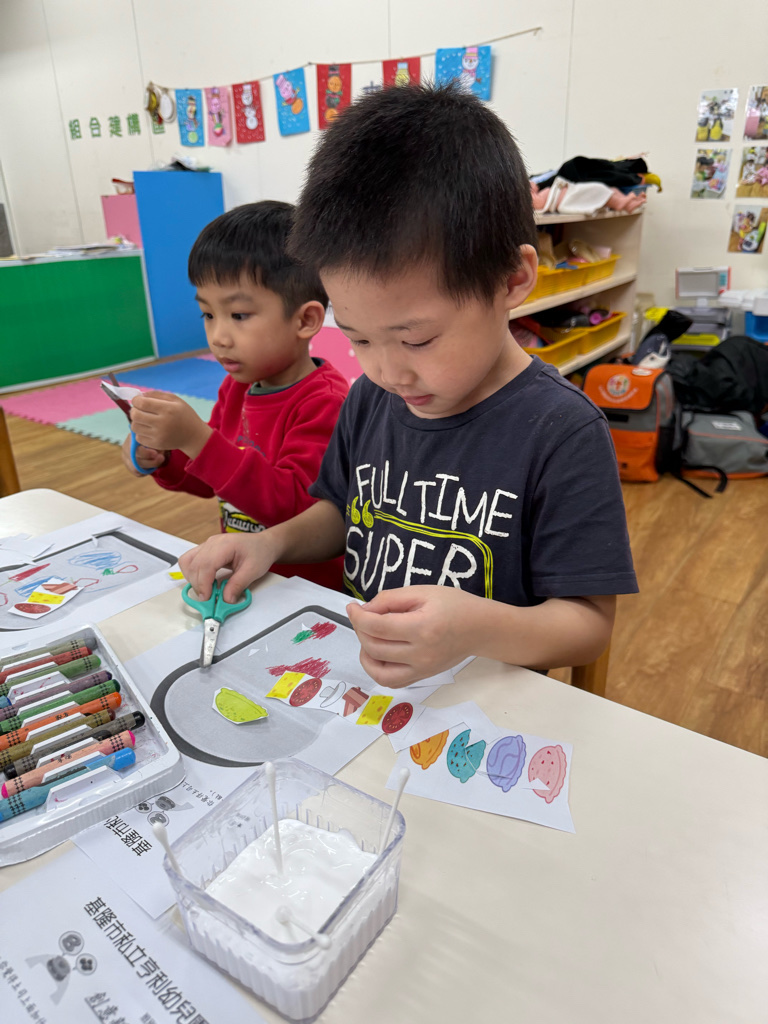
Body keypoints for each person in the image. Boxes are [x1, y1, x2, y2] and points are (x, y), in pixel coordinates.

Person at [180, 84, 637, 686]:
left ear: (512, 279)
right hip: (364, 683)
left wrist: (472, 628)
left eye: (416, 340)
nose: (386, 372)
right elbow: (341, 513)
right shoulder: (371, 398)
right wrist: (272, 544)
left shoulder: (562, 432)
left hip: (489, 701)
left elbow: (588, 623)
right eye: (358, 340)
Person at [125, 201, 348, 590]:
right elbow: (213, 479)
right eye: (208, 315)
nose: (218, 337)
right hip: (248, 577)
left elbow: (297, 508)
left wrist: (197, 439)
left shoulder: (325, 402)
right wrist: (166, 455)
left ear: (305, 320)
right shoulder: (237, 388)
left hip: (307, 591)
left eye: (239, 315)